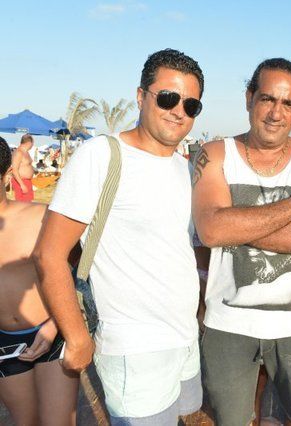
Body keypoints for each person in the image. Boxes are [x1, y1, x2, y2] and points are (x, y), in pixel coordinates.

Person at [33, 48, 205, 424]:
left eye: (191, 105)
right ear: (141, 96)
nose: (179, 111)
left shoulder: (183, 168)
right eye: (168, 98)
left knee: (185, 414)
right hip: (135, 349)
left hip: (184, 336)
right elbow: (49, 254)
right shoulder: (102, 156)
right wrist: (75, 335)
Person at [192, 57, 291, 426]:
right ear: (249, 98)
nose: (276, 113)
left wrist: (233, 223)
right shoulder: (214, 154)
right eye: (267, 99)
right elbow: (210, 230)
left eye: (288, 103)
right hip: (228, 324)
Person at [0, 136, 79, 425]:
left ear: (7, 176)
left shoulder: (41, 218)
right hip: (5, 344)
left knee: (58, 421)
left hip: (51, 330)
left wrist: (57, 322)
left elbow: (78, 269)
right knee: (26, 421)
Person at [10, 134, 35, 202]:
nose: (32, 145)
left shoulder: (25, 152)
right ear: (29, 143)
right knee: (22, 204)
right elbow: (14, 170)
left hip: (27, 181)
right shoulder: (19, 152)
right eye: (32, 143)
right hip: (20, 181)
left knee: (28, 204)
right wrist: (22, 185)